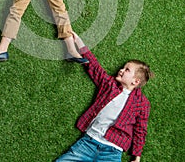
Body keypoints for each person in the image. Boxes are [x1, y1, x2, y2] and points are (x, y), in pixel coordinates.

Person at [56, 33, 154, 162]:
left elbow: (140, 129)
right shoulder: (109, 84)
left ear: (135, 81)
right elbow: (94, 67)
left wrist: (137, 156)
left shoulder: (142, 103)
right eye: (123, 67)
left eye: (127, 70)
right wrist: (79, 42)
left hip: (112, 151)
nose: (121, 70)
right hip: (88, 142)